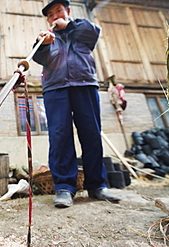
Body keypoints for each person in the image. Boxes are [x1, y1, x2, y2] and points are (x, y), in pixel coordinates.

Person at [33, 0, 121, 207]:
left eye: (59, 11)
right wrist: (44, 45)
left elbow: (94, 32)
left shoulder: (81, 28)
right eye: (51, 14)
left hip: (84, 84)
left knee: (91, 133)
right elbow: (39, 58)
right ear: (47, 19)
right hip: (55, 89)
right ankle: (64, 188)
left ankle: (97, 185)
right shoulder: (46, 39)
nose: (55, 16)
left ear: (67, 11)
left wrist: (68, 26)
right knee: (59, 136)